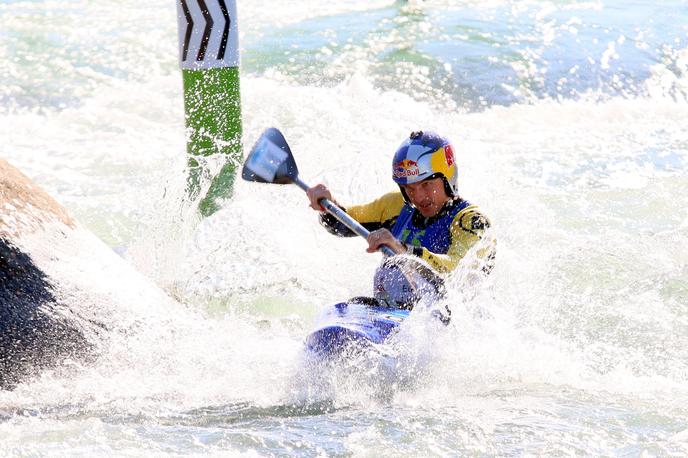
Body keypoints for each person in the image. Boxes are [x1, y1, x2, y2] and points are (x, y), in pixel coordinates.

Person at [306, 130, 495, 308]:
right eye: (409, 188)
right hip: (395, 313)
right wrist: (326, 205)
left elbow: (455, 272)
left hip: (448, 323)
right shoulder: (396, 206)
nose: (418, 197)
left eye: (427, 184)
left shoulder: (472, 222)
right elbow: (342, 223)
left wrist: (405, 252)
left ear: (447, 178)